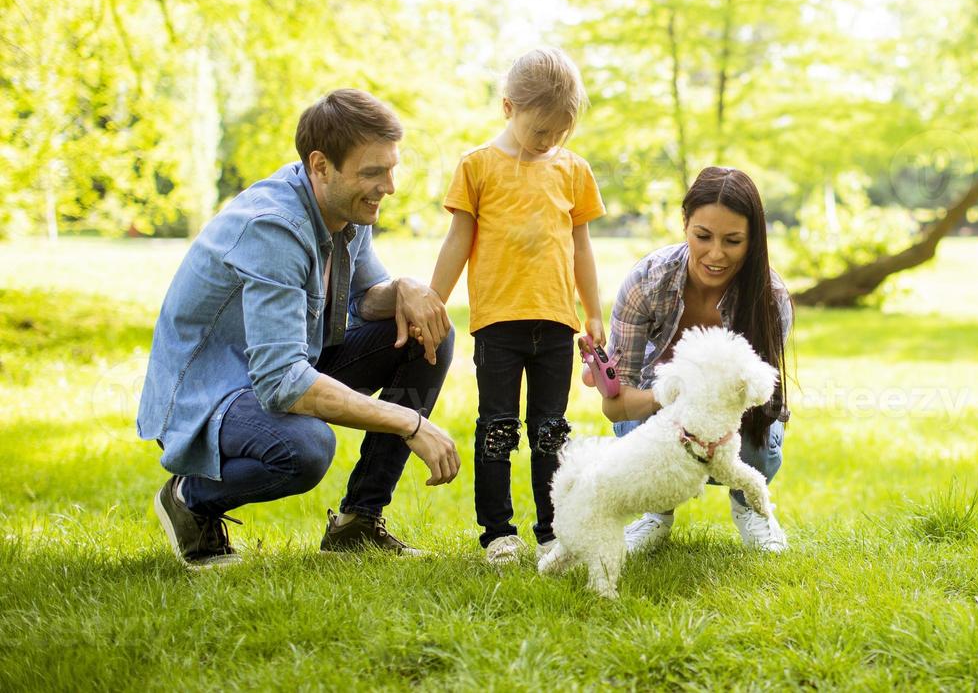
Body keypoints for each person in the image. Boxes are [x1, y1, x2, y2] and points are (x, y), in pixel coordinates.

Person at [138, 90, 460, 569]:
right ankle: (191, 498)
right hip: (210, 394)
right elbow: (282, 383)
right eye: (373, 173)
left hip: (281, 364)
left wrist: (406, 289)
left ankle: (359, 523)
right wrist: (409, 422)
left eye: (391, 169)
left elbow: (364, 300)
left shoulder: (346, 209)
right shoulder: (275, 228)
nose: (388, 187)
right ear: (320, 165)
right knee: (305, 447)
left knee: (426, 335)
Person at [429, 48, 606, 566]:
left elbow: (582, 247)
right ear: (508, 108)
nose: (548, 141)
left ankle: (553, 530)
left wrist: (593, 312)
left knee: (551, 430)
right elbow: (457, 242)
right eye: (540, 131)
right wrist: (433, 305)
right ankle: (498, 532)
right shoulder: (477, 167)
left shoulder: (574, 171)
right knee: (498, 428)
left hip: (555, 324)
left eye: (559, 133)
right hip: (498, 326)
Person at [599, 167, 793, 554]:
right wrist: (672, 396)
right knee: (641, 421)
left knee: (758, 436)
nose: (716, 254)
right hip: (658, 415)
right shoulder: (646, 282)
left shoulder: (769, 297)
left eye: (733, 241)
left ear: (753, 240)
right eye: (702, 236)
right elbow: (616, 406)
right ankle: (655, 511)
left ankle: (750, 508)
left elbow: (760, 398)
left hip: (732, 422)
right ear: (685, 223)